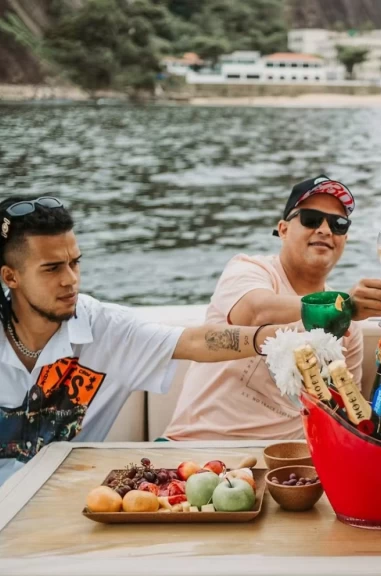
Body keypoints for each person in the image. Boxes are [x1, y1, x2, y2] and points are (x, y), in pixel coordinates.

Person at [0, 196, 292, 487]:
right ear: (10, 276)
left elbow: (194, 341)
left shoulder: (104, 329)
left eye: (74, 263)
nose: (70, 279)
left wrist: (286, 335)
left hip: (62, 500)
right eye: (52, 268)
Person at [164, 176, 381, 441]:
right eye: (311, 219)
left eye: (338, 224)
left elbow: (346, 412)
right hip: (197, 446)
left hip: (287, 465)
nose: (325, 230)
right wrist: (342, 306)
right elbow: (253, 312)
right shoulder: (249, 270)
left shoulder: (348, 323)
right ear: (283, 229)